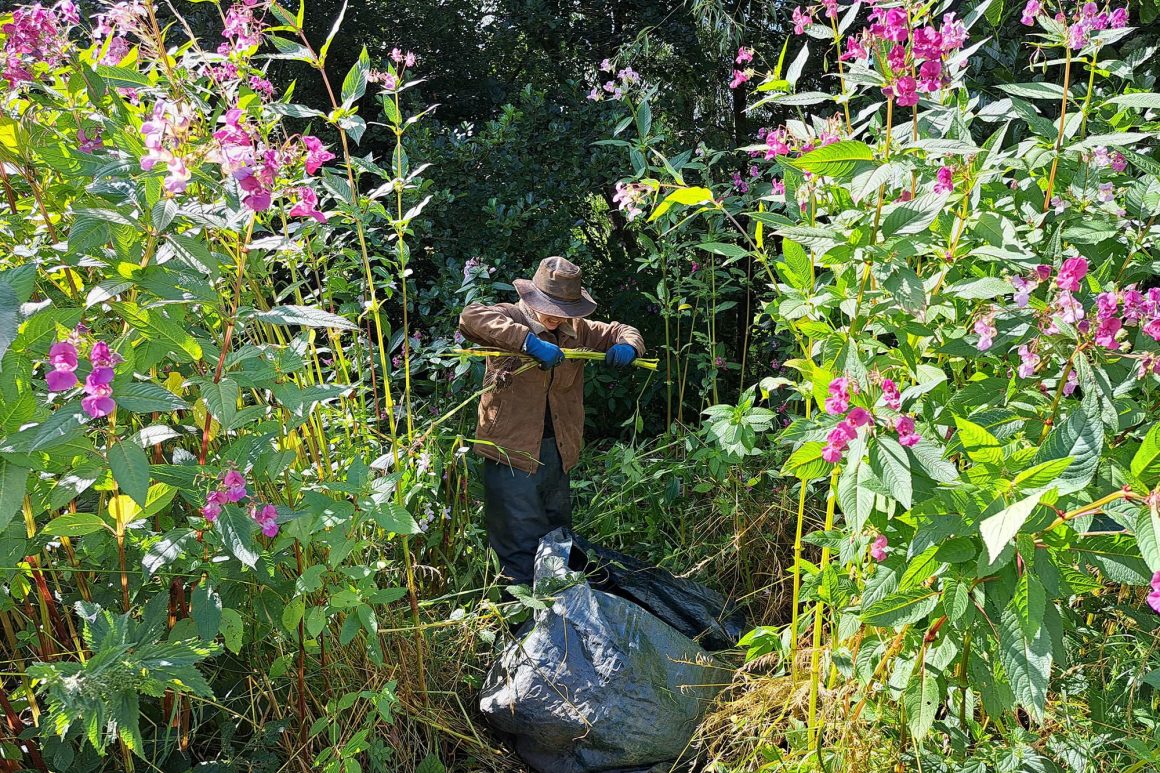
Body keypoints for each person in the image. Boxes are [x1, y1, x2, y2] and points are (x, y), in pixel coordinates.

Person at [458, 256, 645, 587]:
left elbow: (621, 330)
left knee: (556, 537)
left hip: (557, 451)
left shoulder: (577, 330)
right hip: (511, 452)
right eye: (551, 308)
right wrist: (528, 342)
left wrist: (629, 346)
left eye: (564, 311)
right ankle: (522, 625)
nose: (557, 318)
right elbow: (471, 317)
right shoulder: (511, 317)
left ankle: (561, 617)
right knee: (519, 546)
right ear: (533, 298)